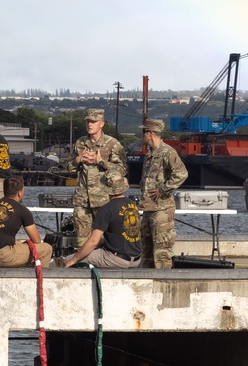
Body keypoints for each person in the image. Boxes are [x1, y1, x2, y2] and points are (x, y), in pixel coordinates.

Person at [66, 108, 127, 249]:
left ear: (102, 123)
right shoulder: (80, 143)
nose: (89, 124)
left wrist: (101, 162)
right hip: (83, 200)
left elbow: (122, 170)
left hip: (104, 201)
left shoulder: (112, 144)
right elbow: (70, 168)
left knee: (106, 239)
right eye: (88, 121)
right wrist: (78, 159)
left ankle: (104, 268)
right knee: (81, 240)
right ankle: (83, 267)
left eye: (93, 121)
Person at [139, 118, 188, 268]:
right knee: (146, 251)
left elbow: (181, 173)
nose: (142, 135)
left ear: (151, 133)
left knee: (162, 252)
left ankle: (163, 283)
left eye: (144, 132)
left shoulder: (167, 152)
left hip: (162, 210)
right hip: (148, 208)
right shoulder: (150, 154)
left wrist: (163, 190)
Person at [63, 174, 141, 268]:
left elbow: (93, 242)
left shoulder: (106, 209)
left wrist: (73, 260)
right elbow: (121, 235)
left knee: (69, 259)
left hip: (116, 259)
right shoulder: (132, 205)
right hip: (136, 259)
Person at [0, 176, 52, 267]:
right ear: (19, 193)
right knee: (46, 249)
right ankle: (41, 279)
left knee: (18, 246)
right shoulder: (22, 210)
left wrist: (13, 241)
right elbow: (36, 240)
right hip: (3, 258)